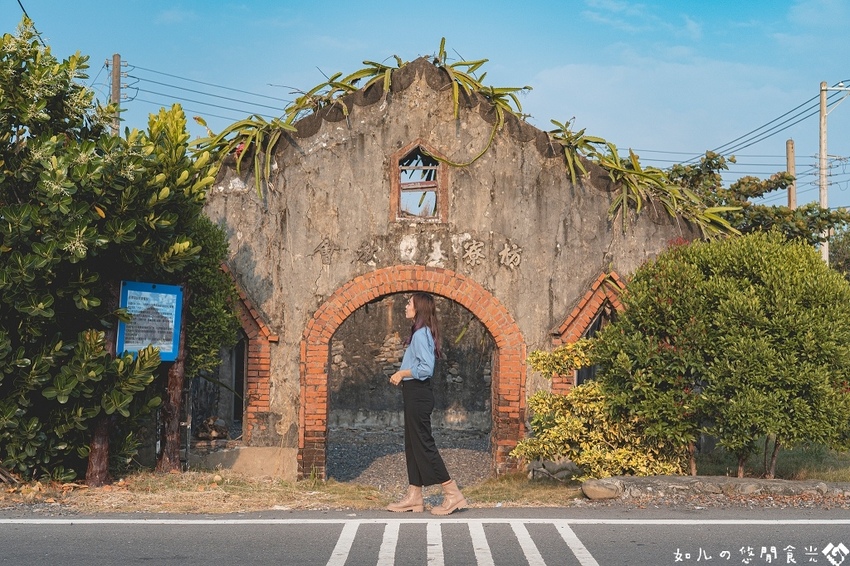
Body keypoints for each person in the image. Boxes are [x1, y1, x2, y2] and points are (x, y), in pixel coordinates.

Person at [387, 292, 467, 515]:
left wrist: (402, 373)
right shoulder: (419, 332)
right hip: (413, 393)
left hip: (418, 393)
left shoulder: (421, 334)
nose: (405, 306)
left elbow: (426, 369)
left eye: (409, 303)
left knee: (423, 444)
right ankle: (414, 496)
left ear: (418, 308)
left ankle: (452, 494)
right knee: (412, 445)